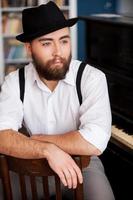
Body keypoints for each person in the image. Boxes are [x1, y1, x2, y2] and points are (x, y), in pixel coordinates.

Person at [0, 1, 115, 200]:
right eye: (46, 43)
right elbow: (2, 136)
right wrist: (47, 149)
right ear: (29, 48)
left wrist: (38, 139)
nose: (58, 52)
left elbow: (94, 141)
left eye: (63, 41)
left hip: (84, 166)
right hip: (30, 163)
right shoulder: (14, 82)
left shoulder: (92, 78)